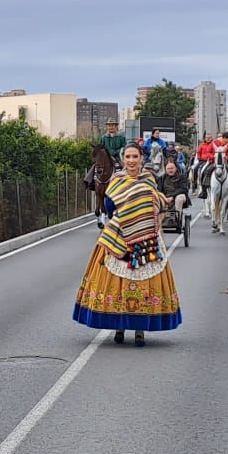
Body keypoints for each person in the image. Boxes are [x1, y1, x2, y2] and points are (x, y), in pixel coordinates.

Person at [72, 145, 182, 346]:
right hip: (120, 234)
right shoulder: (116, 180)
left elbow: (155, 202)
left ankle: (140, 329)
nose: (131, 160)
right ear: (123, 159)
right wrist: (126, 210)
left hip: (147, 236)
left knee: (143, 282)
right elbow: (109, 206)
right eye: (128, 157)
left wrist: (149, 206)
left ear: (141, 158)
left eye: (135, 156)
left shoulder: (148, 179)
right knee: (116, 281)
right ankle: (119, 326)